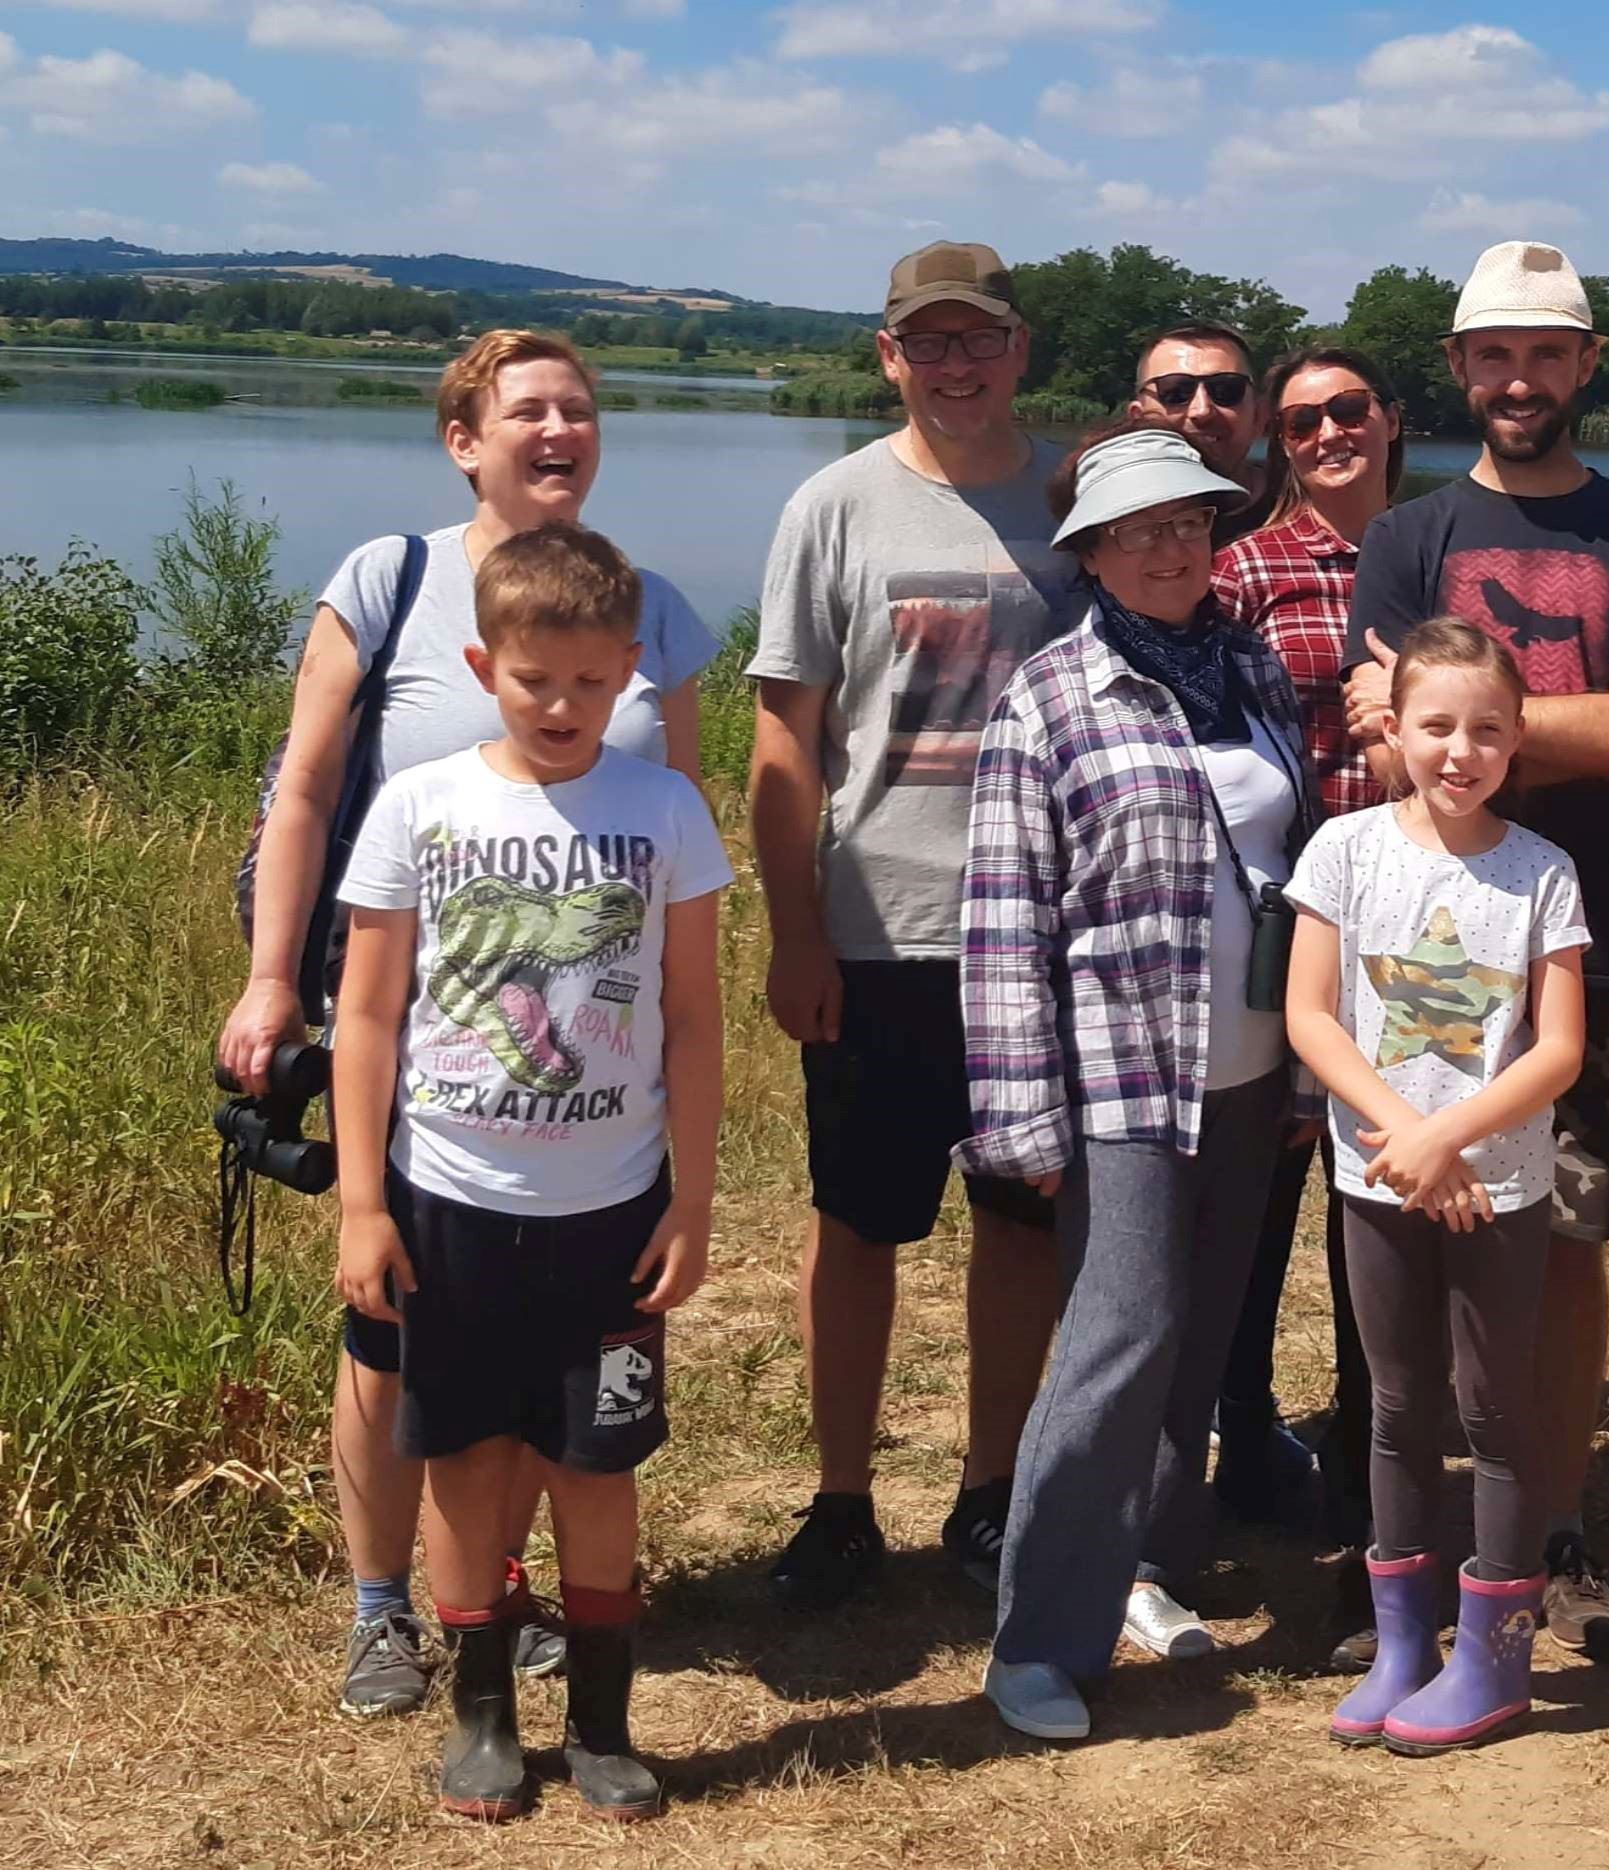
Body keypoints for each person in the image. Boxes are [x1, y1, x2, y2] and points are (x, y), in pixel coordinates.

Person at [215, 327, 718, 1717]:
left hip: (587, 1058)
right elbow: (305, 791)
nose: (559, 431)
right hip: (415, 1031)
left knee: (544, 1343)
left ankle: (498, 1588)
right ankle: (384, 1605)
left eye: (579, 409)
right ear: (464, 439)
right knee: (393, 1334)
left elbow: (678, 812)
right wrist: (270, 977)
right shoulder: (390, 582)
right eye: (527, 411)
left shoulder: (651, 608)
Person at [328, 524, 730, 1821]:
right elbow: (369, 1015)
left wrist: (693, 1198)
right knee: (465, 1461)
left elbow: (694, 1017)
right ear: (481, 666)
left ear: (630, 673)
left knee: (597, 1470)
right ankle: (484, 1714)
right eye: (533, 679)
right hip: (449, 1205)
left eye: (592, 683)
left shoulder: (665, 810)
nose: (562, 706)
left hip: (611, 1213)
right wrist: (362, 1202)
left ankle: (603, 1723)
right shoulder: (419, 804)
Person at [1342, 240, 1609, 1660]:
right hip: (1419, 951)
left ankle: (1552, 1532)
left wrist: (1453, 719)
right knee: (1406, 1240)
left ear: (1586, 363)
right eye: (1494, 353)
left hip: (1584, 950)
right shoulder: (1407, 537)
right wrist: (1544, 726)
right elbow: (1386, 752)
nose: (1519, 378)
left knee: (1559, 1245)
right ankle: (1416, 1540)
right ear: (1458, 366)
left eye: (1547, 352)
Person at [960, 423, 1317, 1743]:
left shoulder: (1252, 667)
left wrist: (1308, 1071)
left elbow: (1298, 866)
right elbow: (1004, 918)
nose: (1171, 546)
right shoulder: (1049, 695)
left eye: (1190, 520)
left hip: (1255, 1070)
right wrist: (1019, 1112)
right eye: (1140, 529)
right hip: (1123, 1077)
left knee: (1202, 1333)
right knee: (1118, 1340)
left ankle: (1153, 1558)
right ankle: (1039, 1638)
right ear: (1093, 552)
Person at [747, 242, 1083, 1611]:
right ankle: (841, 1499)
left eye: (978, 339)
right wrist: (796, 932)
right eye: (927, 342)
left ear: (1019, 348)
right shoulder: (833, 506)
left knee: (1021, 1219)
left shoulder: (1073, 497)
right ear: (888, 355)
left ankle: (992, 1489)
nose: (955, 365)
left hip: (1036, 932)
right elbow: (786, 740)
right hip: (879, 926)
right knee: (856, 1221)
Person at [1286, 618, 1588, 1754]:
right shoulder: (1344, 850)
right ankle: (1402, 1643)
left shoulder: (1542, 871)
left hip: (1498, 1190)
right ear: (1396, 729)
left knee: (1494, 1409)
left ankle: (1495, 1661)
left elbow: (1559, 1047)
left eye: (1489, 731)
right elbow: (1312, 1014)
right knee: (1396, 1405)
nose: (1462, 752)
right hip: (1378, 1177)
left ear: (1518, 740)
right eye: (1438, 726)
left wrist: (1452, 1138)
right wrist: (1408, 1138)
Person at [1206, 345, 1404, 1559]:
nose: (1328, 434)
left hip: (1413, 921)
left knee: (1378, 1194)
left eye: (1348, 409)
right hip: (1290, 919)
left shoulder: (1437, 553)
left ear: (1390, 418)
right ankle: (1241, 1427)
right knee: (1263, 1188)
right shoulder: (1246, 571)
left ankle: (1366, 1441)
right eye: (1298, 421)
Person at [1131, 321, 1273, 541]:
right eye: (1175, 391)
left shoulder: (1315, 509)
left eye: (1226, 389)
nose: (1202, 411)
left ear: (1258, 416)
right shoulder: (1098, 521)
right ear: (1138, 420)